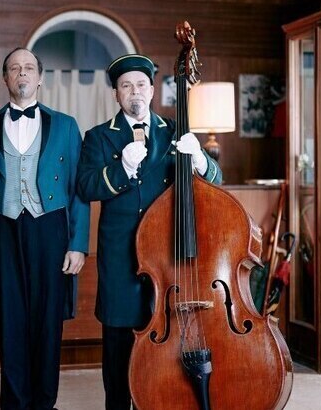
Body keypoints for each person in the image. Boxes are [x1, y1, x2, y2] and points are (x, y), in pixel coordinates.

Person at [76, 54, 221, 410]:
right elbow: (86, 187)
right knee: (118, 347)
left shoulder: (175, 131)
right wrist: (122, 169)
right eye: (126, 86)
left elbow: (216, 181)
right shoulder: (98, 137)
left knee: (168, 344)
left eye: (141, 84)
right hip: (121, 257)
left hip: (169, 256)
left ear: (153, 90)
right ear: (116, 94)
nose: (134, 91)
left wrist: (201, 160)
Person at [0, 47, 89, 410]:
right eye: (15, 68)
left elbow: (78, 191)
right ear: (5, 78)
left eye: (29, 68)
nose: (22, 73)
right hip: (2, 229)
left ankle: (44, 403)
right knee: (11, 321)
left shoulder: (66, 125)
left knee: (49, 323)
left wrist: (78, 244)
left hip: (51, 229)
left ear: (39, 78)